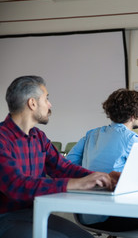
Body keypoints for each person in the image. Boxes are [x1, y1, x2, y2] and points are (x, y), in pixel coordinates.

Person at [0, 75, 115, 238]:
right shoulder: (2, 138)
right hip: (5, 219)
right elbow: (16, 185)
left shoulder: (38, 136)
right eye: (46, 98)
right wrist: (75, 184)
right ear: (32, 103)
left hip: (34, 213)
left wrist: (99, 178)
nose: (50, 104)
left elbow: (62, 167)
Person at [67, 88, 138, 238]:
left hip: (86, 214)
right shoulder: (130, 138)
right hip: (114, 214)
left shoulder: (91, 134)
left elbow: (69, 163)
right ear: (135, 115)